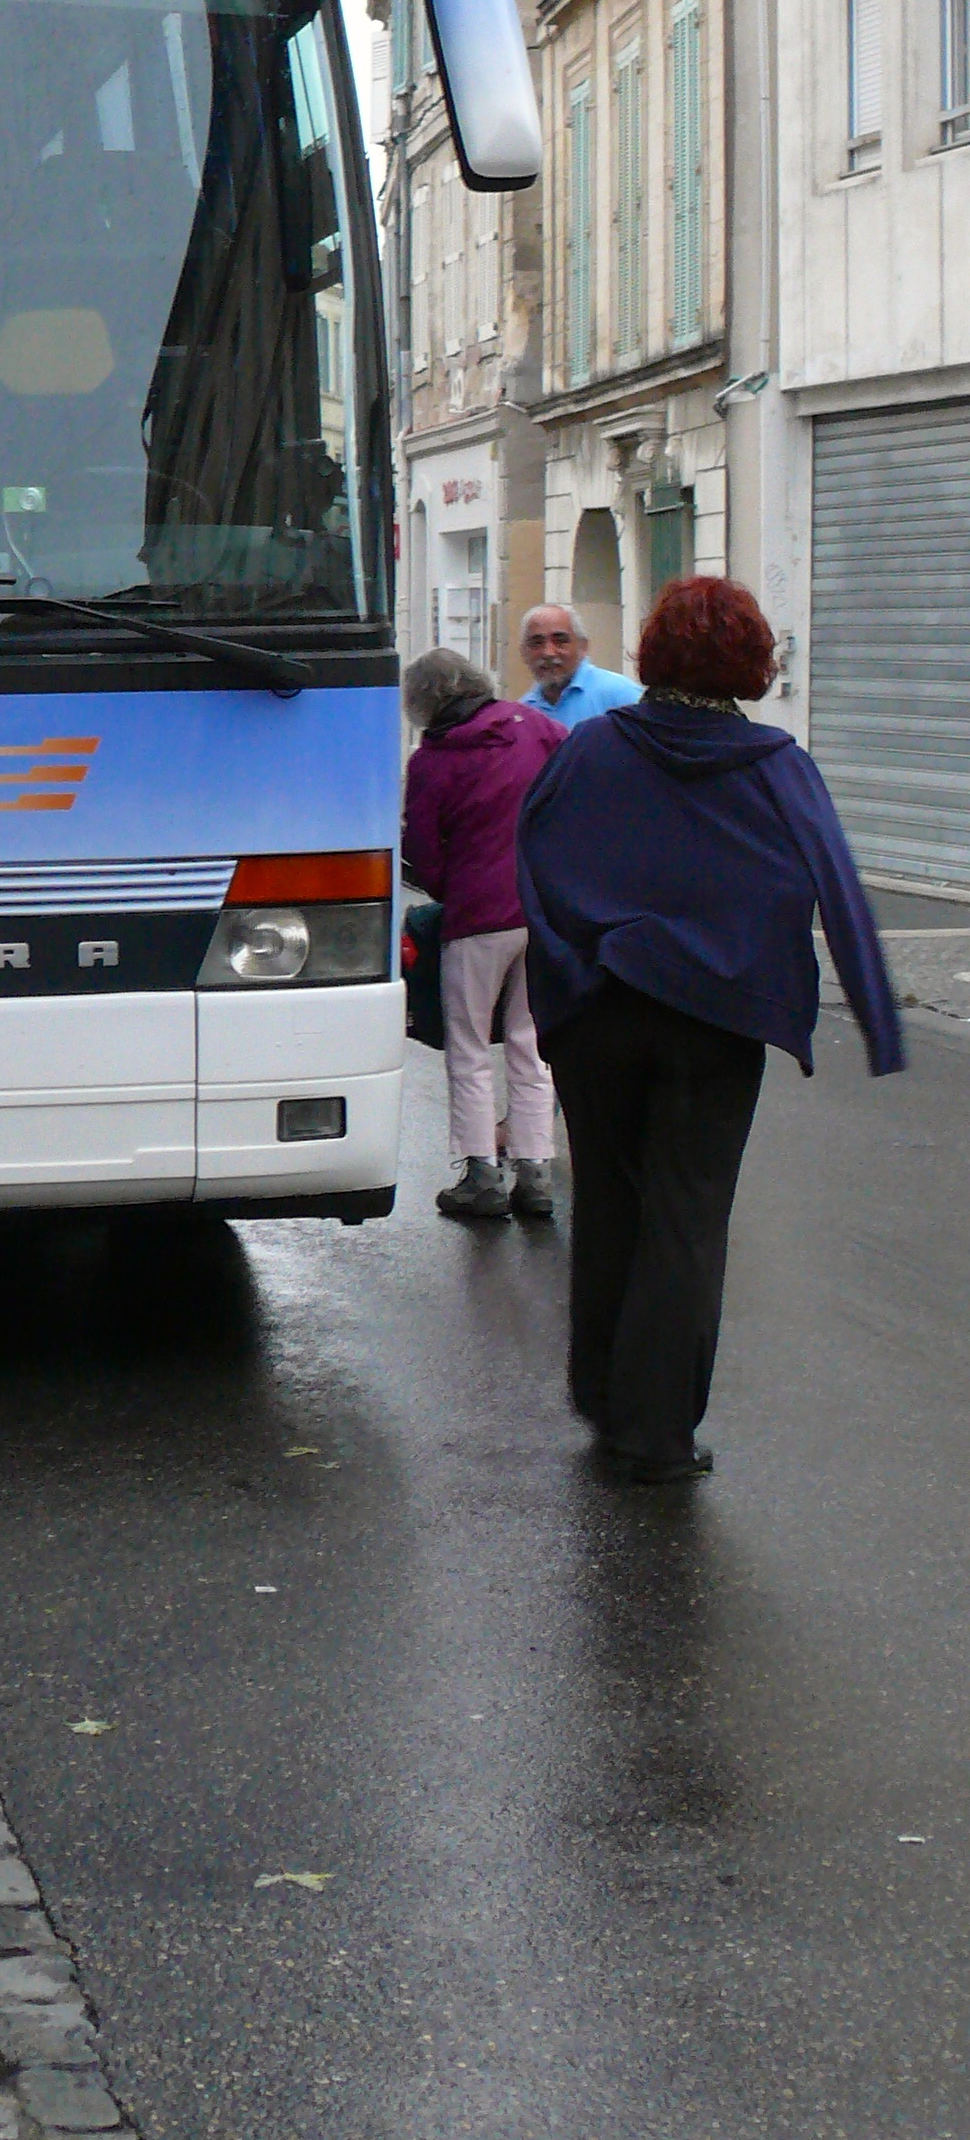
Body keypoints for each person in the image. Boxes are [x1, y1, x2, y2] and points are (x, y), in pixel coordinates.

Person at [518, 574, 903, 1484]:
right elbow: (837, 885)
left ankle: (603, 1396)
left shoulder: (591, 749)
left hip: (598, 1012)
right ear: (750, 662)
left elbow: (534, 860)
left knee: (608, 1206)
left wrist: (566, 976)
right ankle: (654, 1435)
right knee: (686, 1219)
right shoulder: (776, 764)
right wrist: (876, 1019)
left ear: (653, 654)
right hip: (716, 1018)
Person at [400, 648, 565, 1223]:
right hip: (541, 912)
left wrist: (451, 886)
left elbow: (422, 851)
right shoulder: (537, 728)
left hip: (475, 919)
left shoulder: (432, 761)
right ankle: (535, 1173)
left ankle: (482, 1175)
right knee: (530, 1044)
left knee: (469, 1047)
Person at [517, 601, 642, 731]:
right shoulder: (522, 713)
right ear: (523, 652)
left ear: (583, 646)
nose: (548, 652)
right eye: (537, 643)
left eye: (560, 641)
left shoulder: (621, 694)